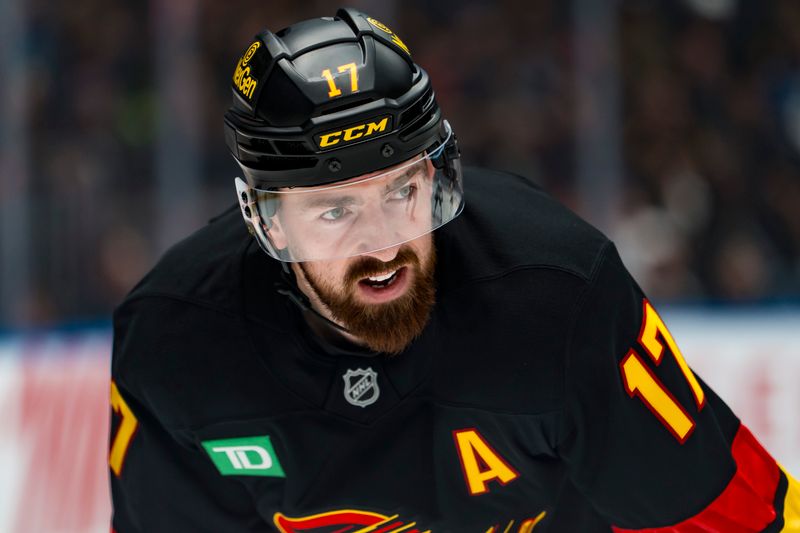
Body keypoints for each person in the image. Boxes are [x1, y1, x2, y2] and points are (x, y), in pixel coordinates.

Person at [108, 8, 800, 532]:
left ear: (436, 175)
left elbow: (728, 511)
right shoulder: (176, 345)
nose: (382, 244)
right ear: (267, 221)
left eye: (401, 192)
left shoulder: (554, 293)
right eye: (334, 212)